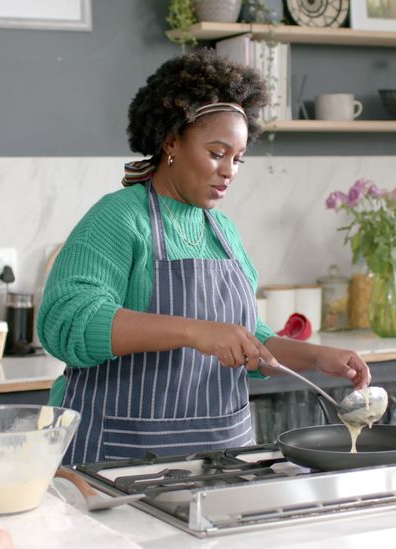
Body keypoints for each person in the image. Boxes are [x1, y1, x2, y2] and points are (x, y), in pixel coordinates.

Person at [38, 50, 371, 464]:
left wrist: (316, 357)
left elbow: (249, 340)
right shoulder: (119, 217)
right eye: (216, 153)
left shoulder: (223, 232)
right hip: (119, 460)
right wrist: (195, 331)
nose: (229, 170)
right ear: (171, 140)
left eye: (238, 158)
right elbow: (65, 323)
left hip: (221, 458)